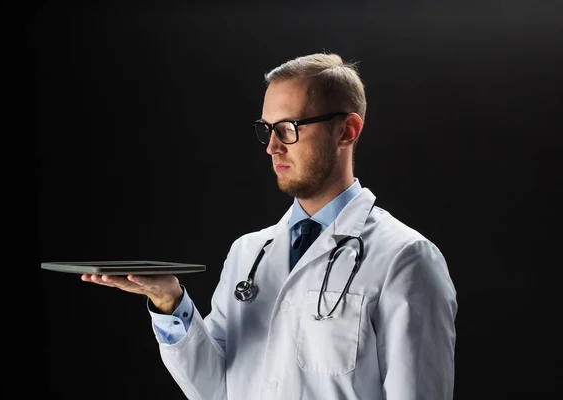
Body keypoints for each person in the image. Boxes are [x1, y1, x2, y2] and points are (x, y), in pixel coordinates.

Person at [81, 52, 458, 400]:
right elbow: (215, 389)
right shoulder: (248, 253)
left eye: (290, 128)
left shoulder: (405, 258)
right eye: (267, 129)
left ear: (347, 131)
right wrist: (170, 302)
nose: (272, 147)